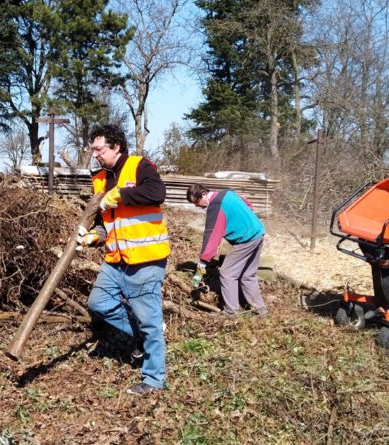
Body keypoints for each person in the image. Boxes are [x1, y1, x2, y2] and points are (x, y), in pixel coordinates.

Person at [78, 124, 170, 396]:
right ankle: (139, 337)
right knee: (98, 303)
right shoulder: (100, 179)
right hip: (115, 259)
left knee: (150, 320)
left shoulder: (140, 166)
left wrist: (119, 195)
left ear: (116, 146)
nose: (95, 155)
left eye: (99, 149)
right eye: (93, 149)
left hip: (145, 259)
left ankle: (153, 379)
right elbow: (107, 225)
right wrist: (92, 237)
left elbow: (157, 194)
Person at [187, 183, 267, 318]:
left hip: (246, 239)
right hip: (258, 232)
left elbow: (211, 237)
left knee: (227, 273)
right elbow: (248, 204)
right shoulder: (227, 193)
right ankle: (261, 310)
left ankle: (231, 312)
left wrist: (201, 265)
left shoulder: (215, 207)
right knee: (248, 275)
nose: (197, 206)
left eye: (196, 202)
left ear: (203, 195)